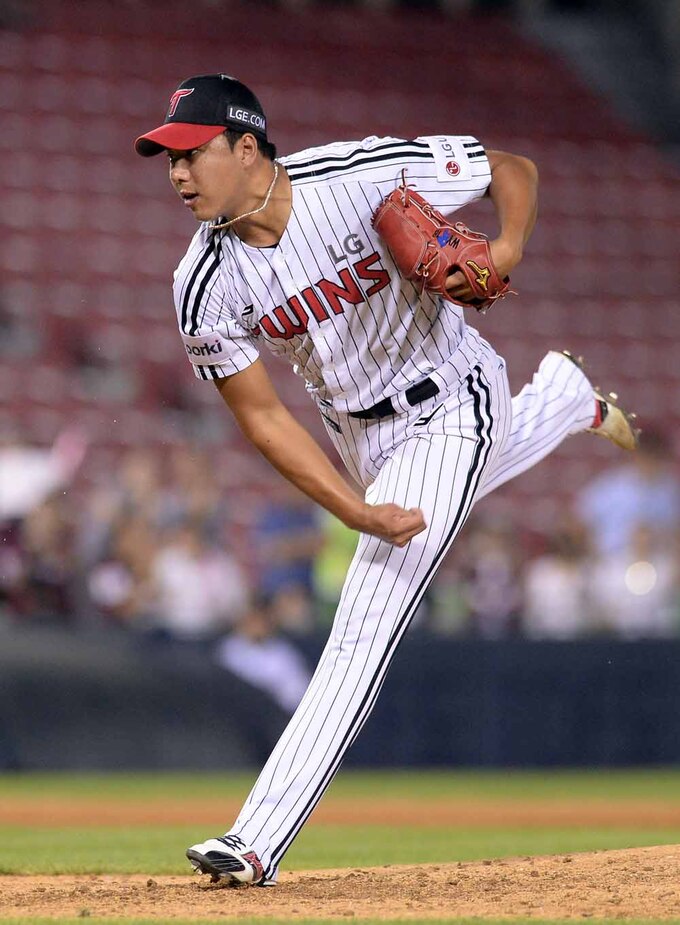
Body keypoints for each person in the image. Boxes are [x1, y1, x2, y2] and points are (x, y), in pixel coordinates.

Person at [134, 73, 638, 886]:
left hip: (454, 398)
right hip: (359, 439)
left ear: (248, 147)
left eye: (193, 153)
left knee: (363, 619)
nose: (178, 173)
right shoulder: (201, 282)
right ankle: (563, 399)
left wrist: (506, 247)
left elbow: (512, 168)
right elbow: (263, 418)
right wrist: (353, 509)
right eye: (169, 159)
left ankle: (255, 838)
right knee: (433, 503)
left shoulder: (357, 175)